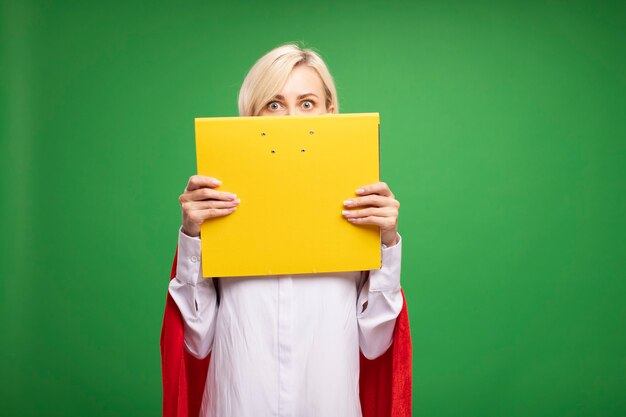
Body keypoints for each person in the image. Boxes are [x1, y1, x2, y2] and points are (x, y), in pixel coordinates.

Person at [161, 44, 412, 417]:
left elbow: (375, 345)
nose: (291, 118)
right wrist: (193, 238)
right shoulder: (219, 204)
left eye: (307, 103)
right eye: (274, 104)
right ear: (252, 115)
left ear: (330, 111)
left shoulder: (357, 209)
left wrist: (387, 244)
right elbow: (196, 344)